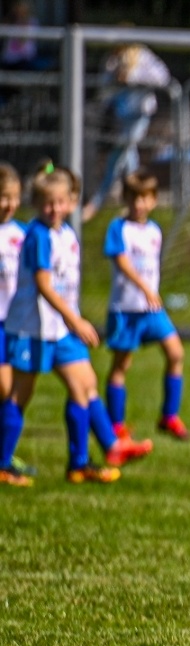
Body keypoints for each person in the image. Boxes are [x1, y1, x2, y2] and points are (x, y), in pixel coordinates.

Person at [0, 165, 150, 487]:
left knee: (84, 385)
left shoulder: (66, 234)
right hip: (31, 328)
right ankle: (3, 463)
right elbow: (43, 283)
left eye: (60, 202)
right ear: (38, 204)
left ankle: (79, 463)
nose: (54, 210)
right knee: (20, 395)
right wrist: (75, 319)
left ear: (71, 201)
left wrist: (71, 320)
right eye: (47, 204)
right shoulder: (38, 235)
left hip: (62, 328)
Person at [102, 169, 188, 444]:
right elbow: (122, 262)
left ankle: (169, 416)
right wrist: (145, 288)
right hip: (126, 308)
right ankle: (116, 425)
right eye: (133, 198)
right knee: (121, 365)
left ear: (153, 200)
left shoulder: (154, 230)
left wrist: (151, 292)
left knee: (175, 353)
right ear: (125, 199)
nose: (139, 204)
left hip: (152, 309)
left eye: (145, 198)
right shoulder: (119, 228)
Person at [83, 43, 170, 223]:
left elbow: (162, 77)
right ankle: (137, 198)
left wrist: (132, 76)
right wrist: (115, 79)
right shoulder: (112, 60)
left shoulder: (143, 56)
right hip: (121, 116)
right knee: (128, 154)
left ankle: (97, 202)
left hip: (140, 115)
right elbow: (104, 88)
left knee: (120, 152)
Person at [0, 164, 27, 484]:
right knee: (7, 389)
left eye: (14, 198)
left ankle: (5, 456)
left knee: (15, 392)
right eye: (3, 197)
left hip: (16, 324)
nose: (9, 204)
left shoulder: (22, 234)